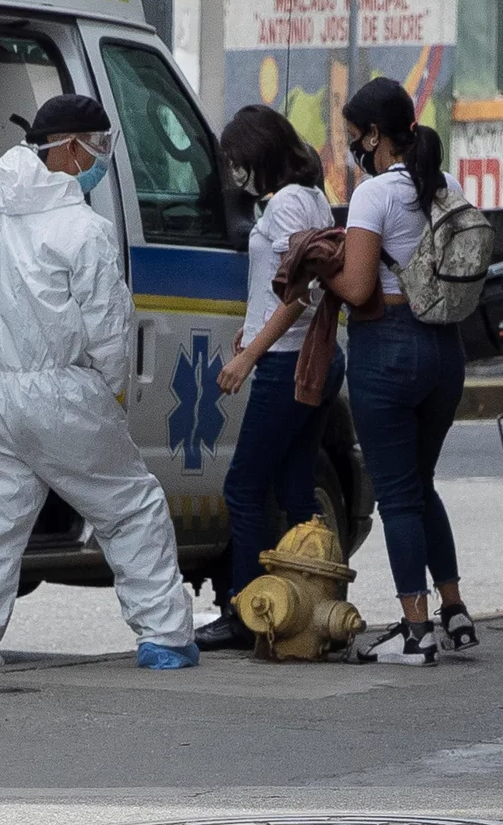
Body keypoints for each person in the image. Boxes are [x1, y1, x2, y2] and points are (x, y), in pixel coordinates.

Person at [0, 93, 198, 672]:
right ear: (74, 147)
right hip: (57, 393)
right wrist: (111, 393)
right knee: (130, 507)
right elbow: (109, 328)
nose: (103, 158)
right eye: (100, 146)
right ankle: (165, 636)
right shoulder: (83, 228)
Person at [323, 77, 479, 666]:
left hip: (387, 346)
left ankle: (415, 631)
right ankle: (454, 610)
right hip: (446, 352)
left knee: (396, 496)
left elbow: (358, 286)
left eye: (352, 135)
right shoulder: (447, 185)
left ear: (372, 135)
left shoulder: (373, 195)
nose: (350, 146)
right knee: (421, 484)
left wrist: (317, 265)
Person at [196, 105, 343, 651]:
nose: (234, 173)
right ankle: (309, 606)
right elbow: (282, 287)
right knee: (296, 490)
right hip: (310, 355)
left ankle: (243, 609)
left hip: (288, 361)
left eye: (237, 161)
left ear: (257, 154)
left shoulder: (284, 205)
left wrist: (248, 356)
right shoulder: (311, 197)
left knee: (244, 486)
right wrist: (250, 329)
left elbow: (298, 296)